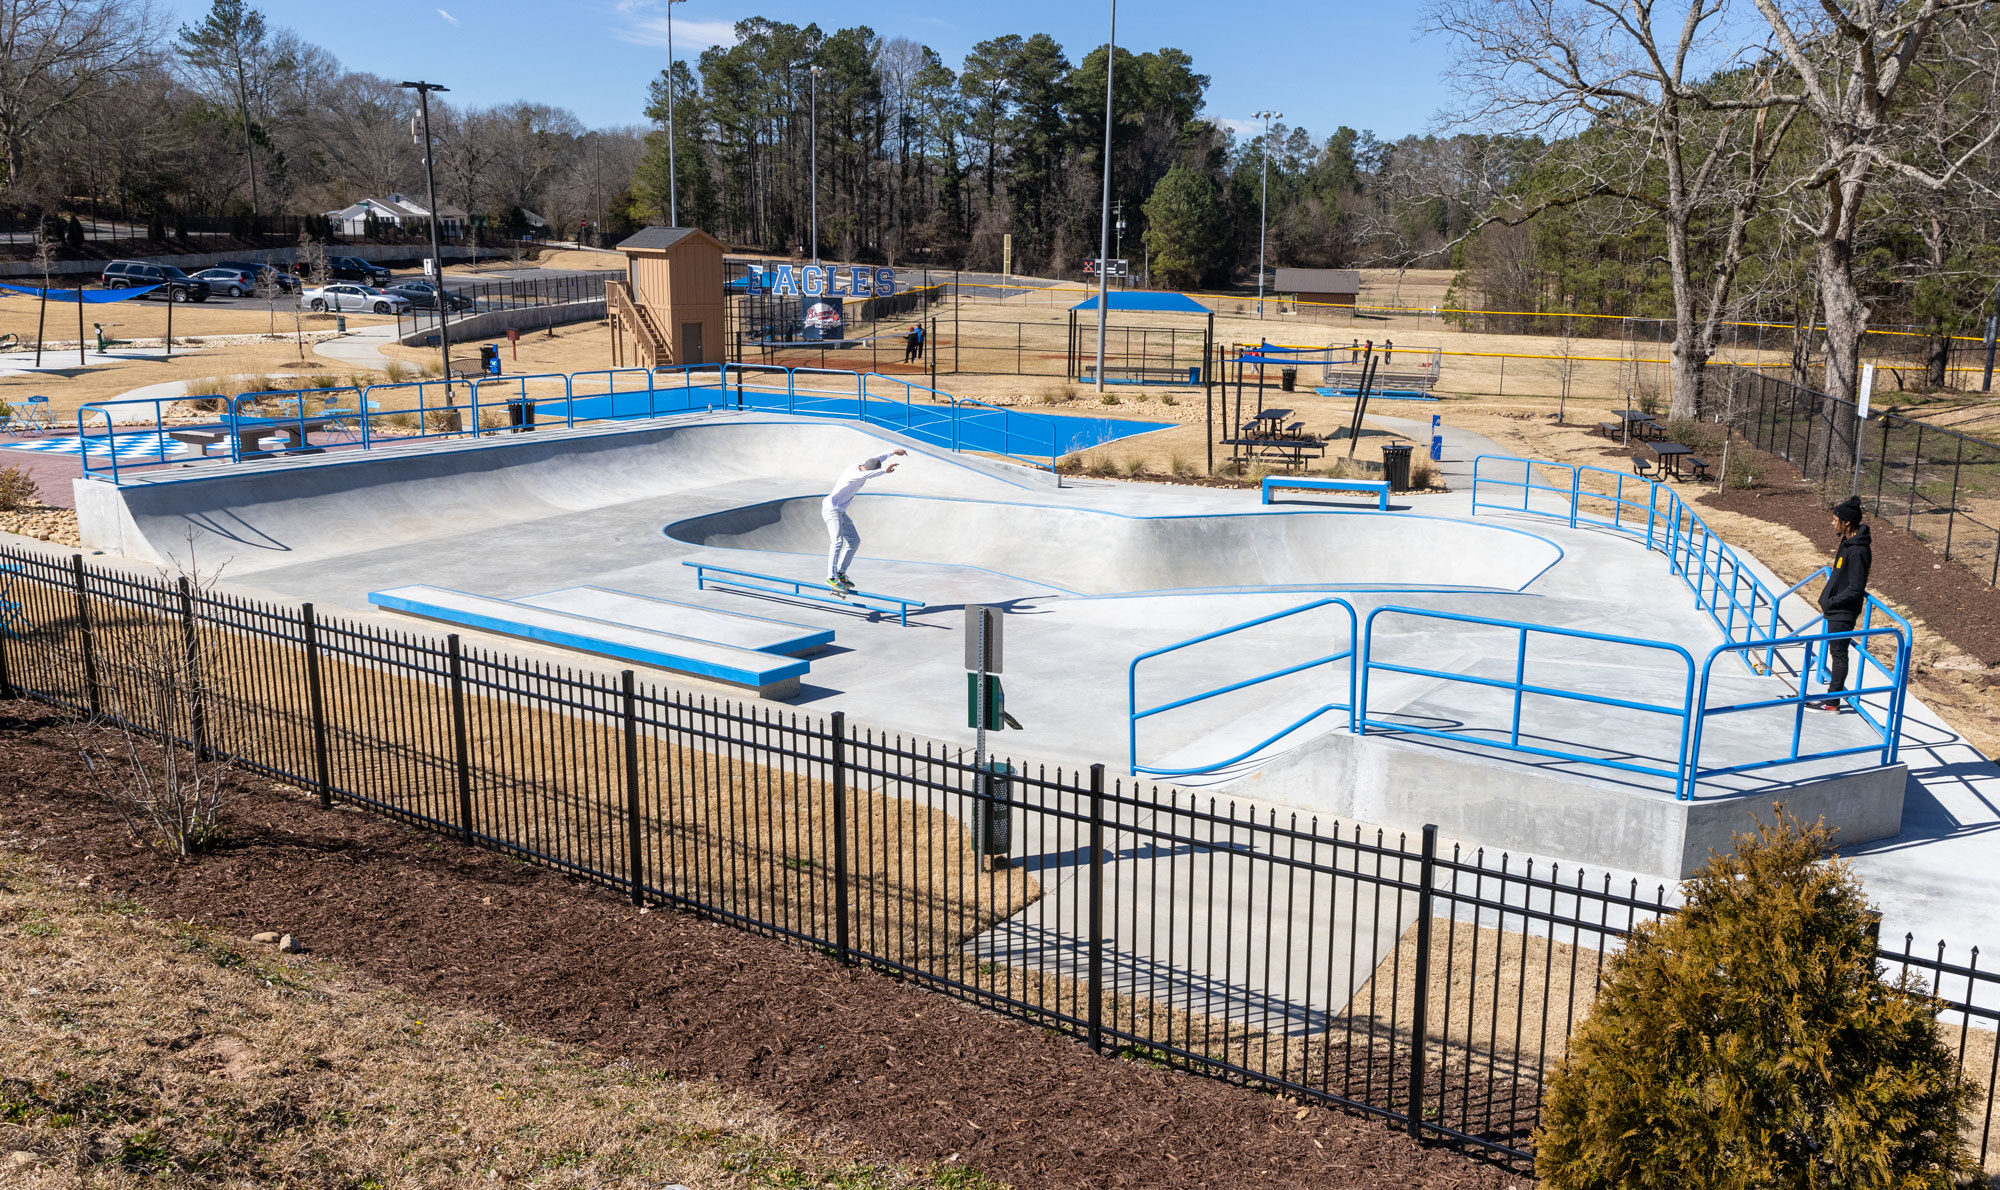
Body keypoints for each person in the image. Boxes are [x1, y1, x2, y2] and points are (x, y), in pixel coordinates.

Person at [1809, 496, 1873, 713]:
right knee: (1834, 651)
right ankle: (1831, 695)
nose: (1832, 522)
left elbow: (1856, 587)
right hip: (1835, 608)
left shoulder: (1858, 550)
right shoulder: (1848, 543)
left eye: (1835, 519)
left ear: (1847, 522)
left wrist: (1833, 601)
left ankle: (1832, 701)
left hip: (1843, 611)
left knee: (1838, 653)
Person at [823, 449, 907, 593]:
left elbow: (876, 458)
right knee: (837, 542)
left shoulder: (860, 465)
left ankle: (841, 574)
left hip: (840, 511)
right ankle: (831, 577)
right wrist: (885, 472)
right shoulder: (854, 474)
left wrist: (892, 452)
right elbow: (869, 473)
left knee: (854, 541)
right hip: (831, 510)